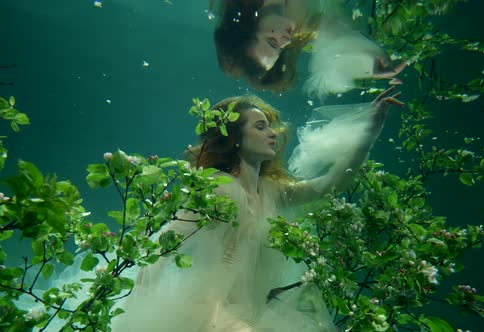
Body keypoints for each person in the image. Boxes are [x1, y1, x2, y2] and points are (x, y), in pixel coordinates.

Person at [110, 87, 403, 331]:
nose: (272, 133)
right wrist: (141, 290)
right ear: (235, 137)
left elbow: (329, 184)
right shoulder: (219, 187)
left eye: (270, 126)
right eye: (260, 127)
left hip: (251, 311)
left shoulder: (271, 189)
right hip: (211, 311)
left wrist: (369, 130)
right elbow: (171, 238)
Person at [212, 0, 406, 98]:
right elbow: (332, 27)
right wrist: (367, 63)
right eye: (279, 48)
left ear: (248, 25)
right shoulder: (296, 25)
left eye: (272, 41)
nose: (285, 40)